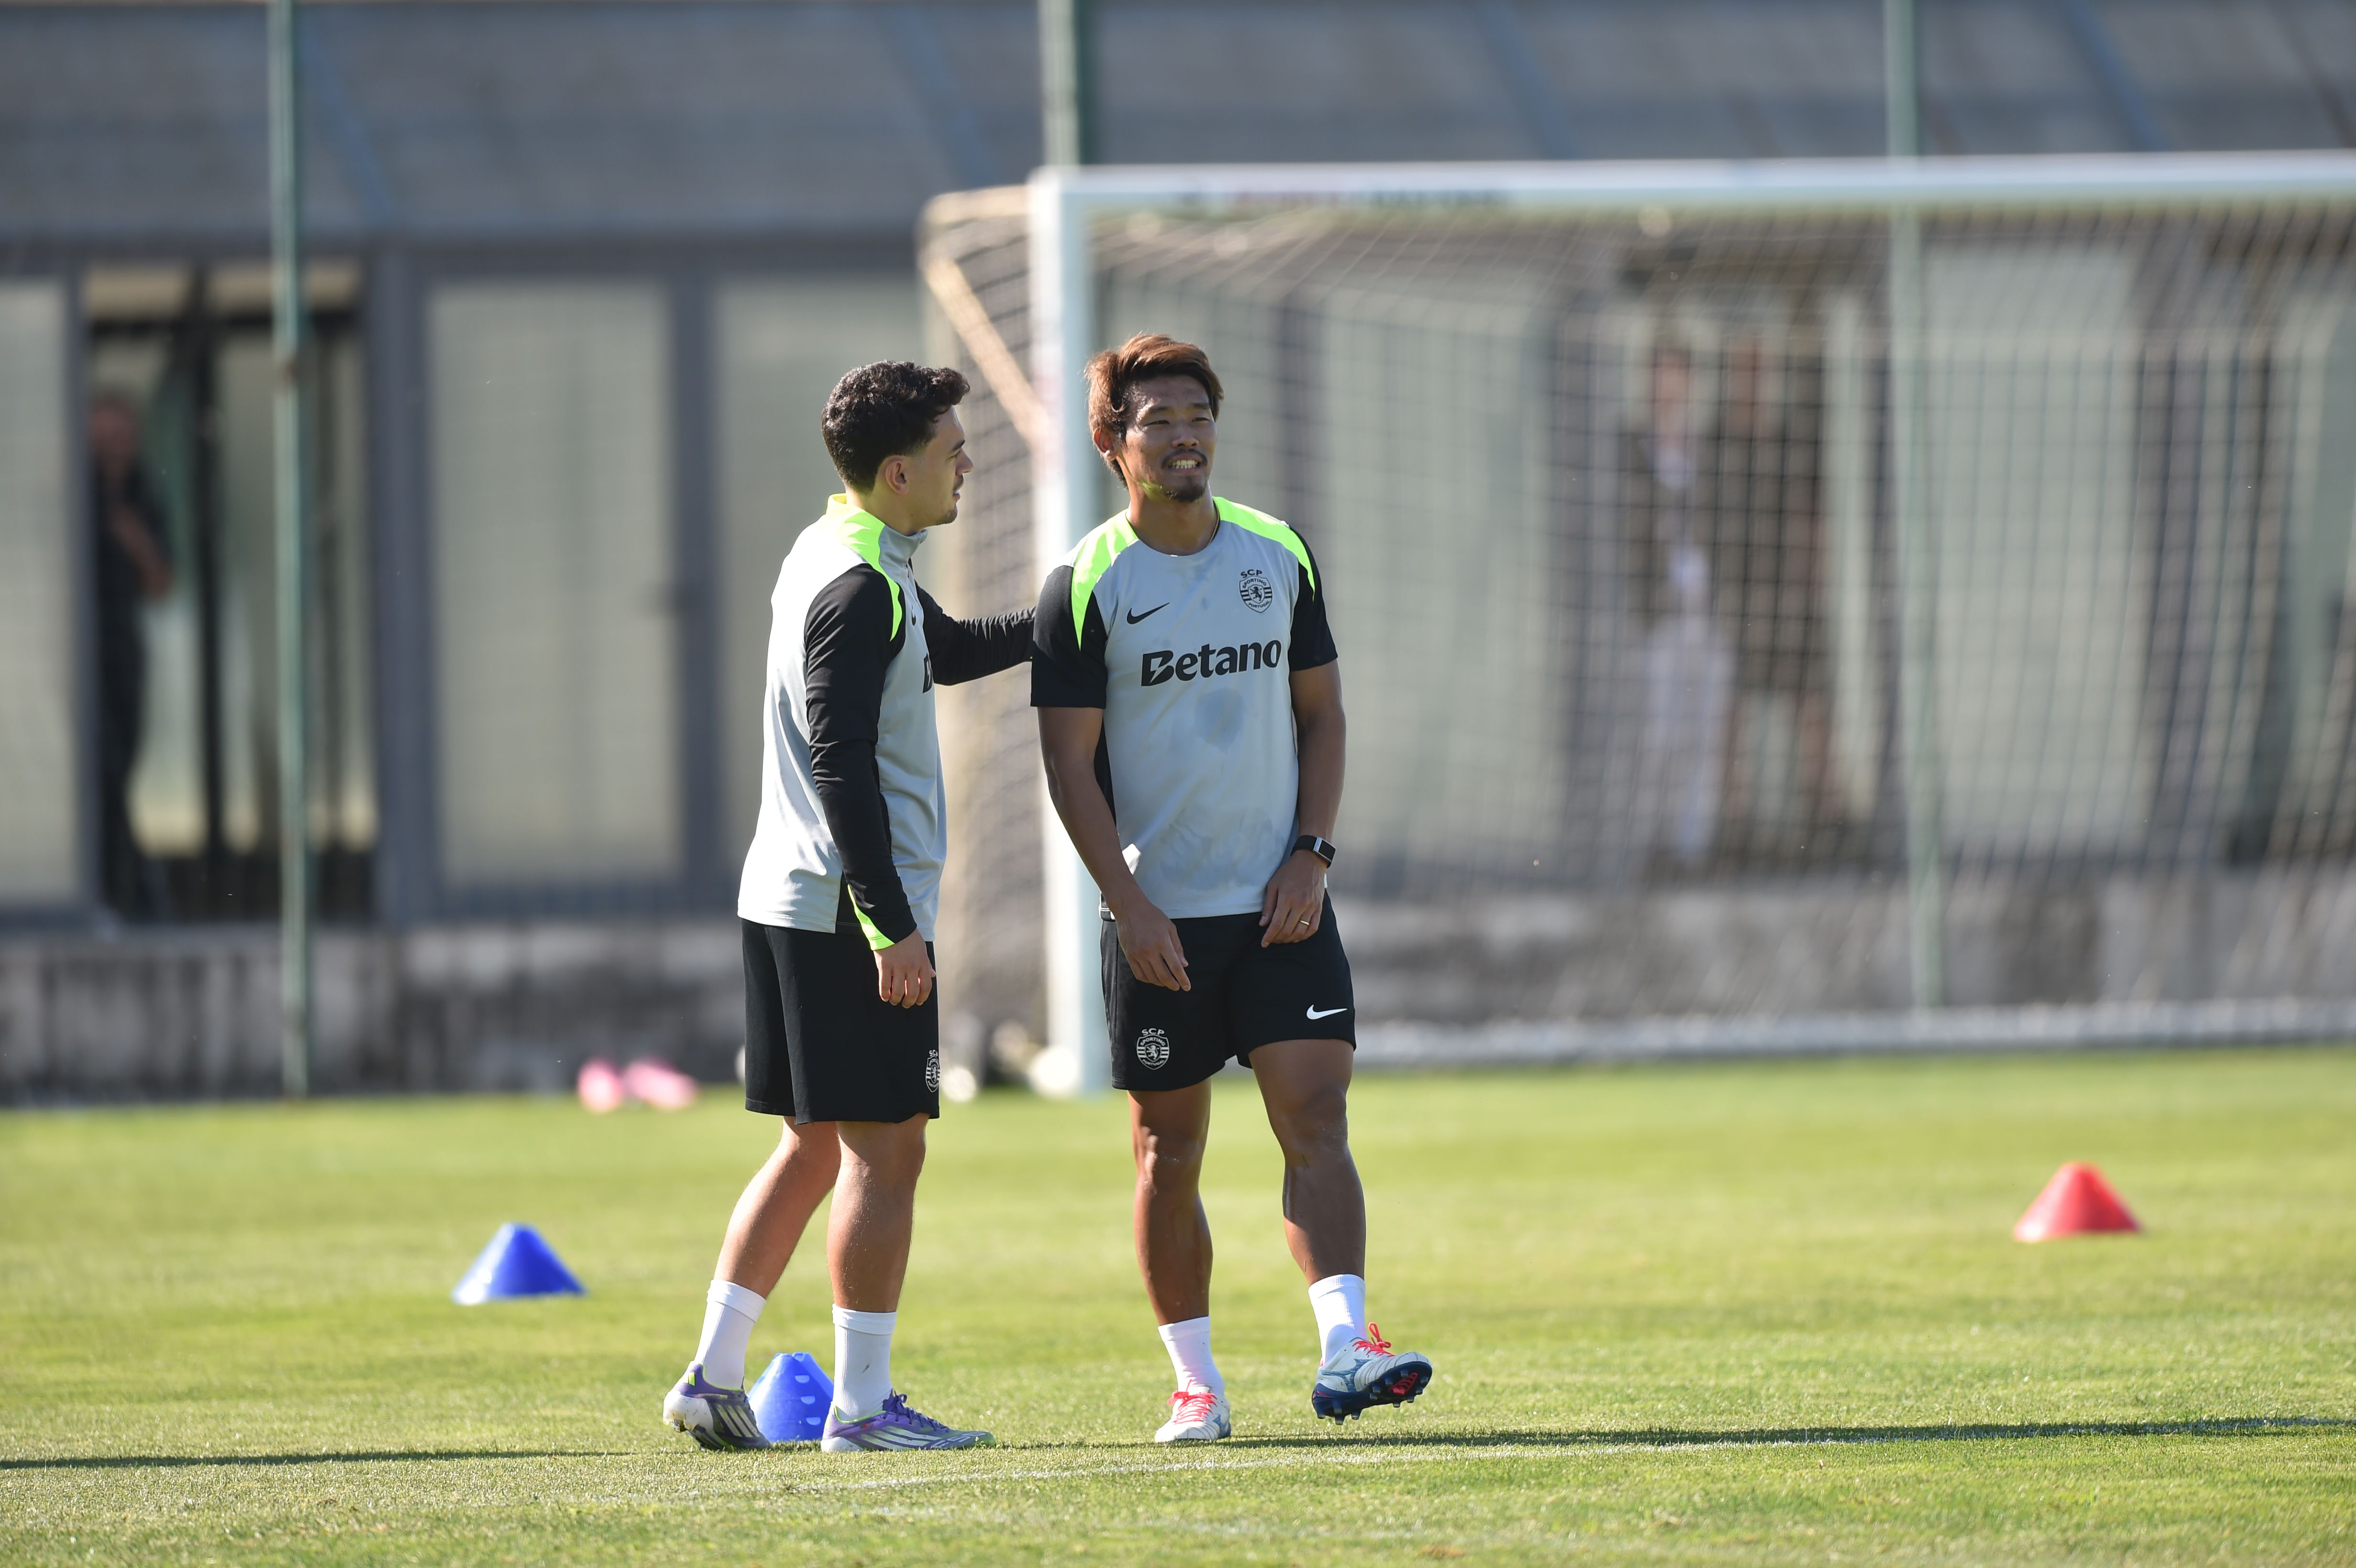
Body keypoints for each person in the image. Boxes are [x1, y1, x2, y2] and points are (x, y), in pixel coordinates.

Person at [1031, 334, 1432, 1445]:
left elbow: (1324, 716)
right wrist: (1128, 903)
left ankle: (1348, 1346)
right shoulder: (1084, 584)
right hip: (1159, 918)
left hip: (1280, 903)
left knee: (1316, 1112)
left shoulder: (1277, 551)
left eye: (1198, 412)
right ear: (1115, 444)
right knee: (1170, 1148)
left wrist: (1313, 850)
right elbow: (1069, 765)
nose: (1184, 433)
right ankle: (1195, 1386)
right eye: (1157, 419)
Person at [663, 361, 1030, 1453]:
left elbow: (945, 648)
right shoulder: (863, 583)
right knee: (887, 1150)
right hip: (843, 910)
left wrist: (1060, 615)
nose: (970, 462)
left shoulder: (845, 549)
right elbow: (842, 758)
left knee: (814, 1146)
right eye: (955, 449)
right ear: (900, 468)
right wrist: (892, 926)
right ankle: (864, 1410)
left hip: (788, 893)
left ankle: (712, 1375)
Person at [88, 392, 173, 918]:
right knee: (101, 773)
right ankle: (130, 895)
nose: (117, 445)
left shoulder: (144, 495)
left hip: (124, 657)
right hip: (77, 660)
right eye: (106, 434)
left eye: (125, 434)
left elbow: (163, 583)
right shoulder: (74, 494)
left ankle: (128, 892)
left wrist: (137, 541)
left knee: (118, 772)